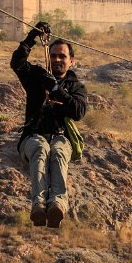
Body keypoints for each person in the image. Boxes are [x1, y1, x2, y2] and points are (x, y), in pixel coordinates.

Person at [11, 22, 87, 228]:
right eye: (53, 56)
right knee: (40, 148)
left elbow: (78, 111)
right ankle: (38, 205)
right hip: (33, 136)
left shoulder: (75, 87)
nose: (56, 60)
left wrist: (55, 88)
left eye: (62, 56)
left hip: (61, 136)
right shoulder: (36, 77)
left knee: (59, 151)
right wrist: (32, 37)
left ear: (71, 61)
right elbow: (17, 63)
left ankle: (57, 206)